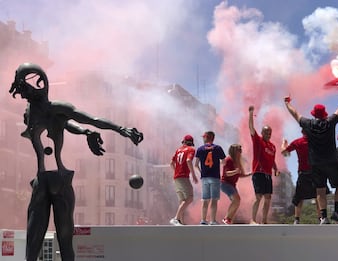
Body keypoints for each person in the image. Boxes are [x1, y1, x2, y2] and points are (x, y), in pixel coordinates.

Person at [9, 63, 143, 261]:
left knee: (56, 241)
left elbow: (91, 120)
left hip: (53, 181)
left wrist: (121, 129)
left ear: (39, 84)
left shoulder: (51, 110)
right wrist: (87, 131)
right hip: (49, 182)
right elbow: (73, 123)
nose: (23, 95)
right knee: (42, 241)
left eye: (24, 89)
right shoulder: (36, 112)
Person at [284, 86, 338, 224]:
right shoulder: (330, 122)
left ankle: (324, 217)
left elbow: (295, 113)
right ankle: (336, 212)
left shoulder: (308, 124)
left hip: (315, 163)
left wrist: (287, 103)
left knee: (320, 190)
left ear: (314, 114)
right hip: (331, 160)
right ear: (325, 114)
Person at [281, 130, 321, 224]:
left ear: (302, 131)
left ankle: (297, 219)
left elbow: (284, 152)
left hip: (304, 172)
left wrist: (283, 144)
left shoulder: (297, 142)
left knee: (300, 197)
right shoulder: (316, 141)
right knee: (318, 195)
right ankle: (321, 218)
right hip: (314, 172)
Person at [248, 106, 278, 224]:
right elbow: (251, 127)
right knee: (258, 197)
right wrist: (251, 113)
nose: (268, 134)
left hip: (268, 175)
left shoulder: (273, 146)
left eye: (270, 132)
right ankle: (253, 220)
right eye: (266, 132)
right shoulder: (258, 140)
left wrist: (276, 169)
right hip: (258, 172)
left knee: (268, 198)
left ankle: (264, 220)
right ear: (262, 132)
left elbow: (272, 160)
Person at [195, 131, 226, 225]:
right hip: (215, 177)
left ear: (206, 137)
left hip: (204, 178)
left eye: (203, 137)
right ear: (213, 138)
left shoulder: (200, 149)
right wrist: (217, 164)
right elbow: (224, 162)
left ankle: (203, 220)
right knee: (214, 199)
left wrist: (202, 172)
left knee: (205, 199)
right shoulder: (218, 148)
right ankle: (212, 220)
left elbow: (196, 165)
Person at [169, 135, 198, 225]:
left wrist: (176, 172)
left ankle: (181, 222)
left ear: (184, 142)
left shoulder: (178, 150)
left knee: (182, 200)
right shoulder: (191, 149)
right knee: (190, 198)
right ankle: (176, 219)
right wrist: (193, 174)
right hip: (184, 177)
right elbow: (189, 160)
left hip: (176, 177)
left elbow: (171, 163)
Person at [221, 144, 251, 224]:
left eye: (241, 149)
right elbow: (226, 173)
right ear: (234, 151)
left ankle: (229, 219)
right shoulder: (229, 160)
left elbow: (240, 175)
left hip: (232, 185)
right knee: (236, 199)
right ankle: (226, 218)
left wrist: (250, 174)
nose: (241, 151)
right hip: (225, 183)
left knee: (237, 201)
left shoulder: (238, 161)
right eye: (239, 149)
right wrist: (235, 171)